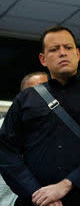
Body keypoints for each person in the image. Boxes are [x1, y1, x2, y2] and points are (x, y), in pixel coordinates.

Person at [0, 26, 80, 206]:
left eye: (68, 47)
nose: (62, 53)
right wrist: (36, 193)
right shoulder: (25, 99)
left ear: (78, 54)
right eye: (54, 49)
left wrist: (67, 184)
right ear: (43, 59)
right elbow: (5, 150)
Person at [0, 72, 49, 206]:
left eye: (46, 91)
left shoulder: (61, 134)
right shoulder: (3, 127)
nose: (40, 96)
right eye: (32, 92)